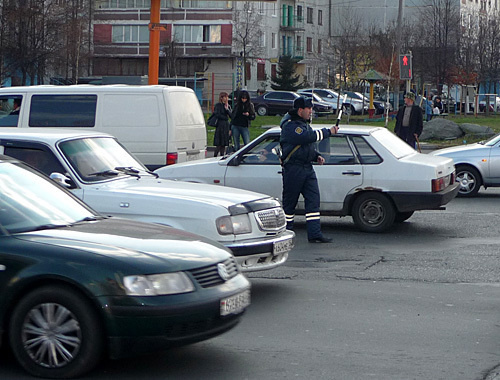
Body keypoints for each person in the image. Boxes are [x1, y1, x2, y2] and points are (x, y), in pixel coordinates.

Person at [280, 96, 339, 243]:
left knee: (313, 201)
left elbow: (307, 146)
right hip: (294, 169)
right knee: (289, 204)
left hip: (307, 168)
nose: (311, 111)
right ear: (300, 110)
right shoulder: (290, 125)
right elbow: (307, 137)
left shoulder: (303, 124)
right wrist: (328, 132)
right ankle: (286, 234)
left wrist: (316, 156)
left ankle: (314, 234)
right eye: (309, 108)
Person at [212, 92, 232, 157]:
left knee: (224, 143)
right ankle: (215, 155)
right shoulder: (218, 105)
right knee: (219, 143)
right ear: (221, 98)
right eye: (225, 97)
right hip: (220, 125)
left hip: (226, 125)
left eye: (227, 97)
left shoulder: (228, 106)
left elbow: (231, 115)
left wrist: (227, 109)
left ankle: (222, 155)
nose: (226, 99)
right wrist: (225, 117)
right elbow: (217, 114)